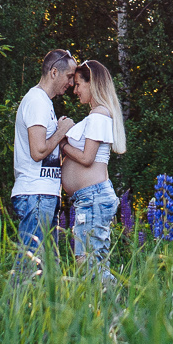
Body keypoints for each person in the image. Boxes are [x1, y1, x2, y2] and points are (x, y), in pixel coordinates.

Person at [59, 58, 126, 284]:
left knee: (89, 262)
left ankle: (117, 303)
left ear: (93, 83)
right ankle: (108, 308)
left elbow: (87, 158)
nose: (75, 90)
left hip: (93, 198)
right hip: (88, 198)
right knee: (87, 261)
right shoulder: (96, 115)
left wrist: (62, 143)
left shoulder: (98, 115)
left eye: (79, 84)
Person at [11, 49, 76, 274]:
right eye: (69, 77)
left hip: (44, 196)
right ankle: (13, 307)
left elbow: (47, 153)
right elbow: (38, 151)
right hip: (35, 196)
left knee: (48, 273)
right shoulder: (37, 101)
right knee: (28, 269)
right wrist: (61, 131)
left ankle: (34, 309)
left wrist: (61, 136)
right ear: (54, 72)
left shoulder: (45, 103)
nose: (71, 83)